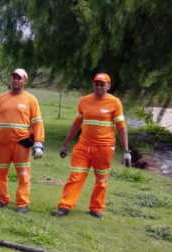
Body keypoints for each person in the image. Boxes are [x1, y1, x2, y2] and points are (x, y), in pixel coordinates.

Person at [51, 73, 130, 218]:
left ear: (108, 85)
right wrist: (65, 143)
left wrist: (126, 151)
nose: (99, 86)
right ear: (93, 84)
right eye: (96, 84)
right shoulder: (84, 101)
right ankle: (64, 206)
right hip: (83, 147)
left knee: (101, 180)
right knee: (76, 176)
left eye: (102, 84)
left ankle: (96, 208)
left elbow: (121, 127)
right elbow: (76, 123)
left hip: (104, 148)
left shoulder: (115, 102)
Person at [0, 68, 45, 213]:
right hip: (3, 144)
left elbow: (37, 122)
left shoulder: (31, 99)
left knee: (23, 174)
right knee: (0, 173)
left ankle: (22, 204)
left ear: (25, 81)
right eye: (14, 77)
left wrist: (38, 144)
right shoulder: (1, 98)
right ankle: (2, 199)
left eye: (19, 78)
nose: (15, 80)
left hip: (21, 144)